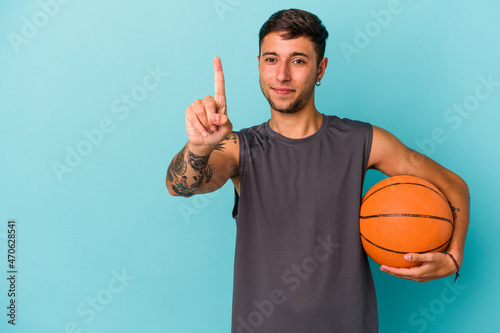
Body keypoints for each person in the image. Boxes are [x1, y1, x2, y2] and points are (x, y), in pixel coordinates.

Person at [166, 8, 470, 332]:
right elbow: (180, 186)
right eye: (271, 59)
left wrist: (453, 257)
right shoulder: (240, 148)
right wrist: (199, 147)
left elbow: (453, 185)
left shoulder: (363, 141)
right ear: (258, 64)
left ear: (320, 69)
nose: (281, 74)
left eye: (297, 60)